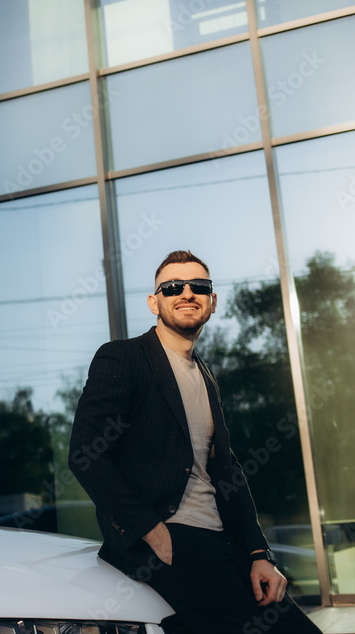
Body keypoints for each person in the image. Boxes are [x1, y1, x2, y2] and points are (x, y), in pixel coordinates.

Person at [69, 250, 321, 633]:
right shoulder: (123, 357)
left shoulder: (205, 376)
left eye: (198, 286)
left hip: (220, 540)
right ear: (154, 302)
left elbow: (227, 470)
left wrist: (258, 553)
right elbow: (86, 453)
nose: (186, 293)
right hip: (171, 540)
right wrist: (151, 530)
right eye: (173, 287)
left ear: (212, 301)